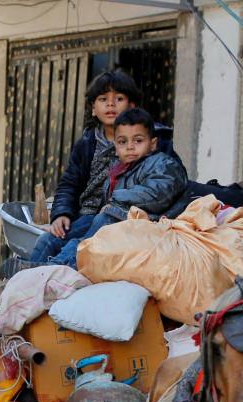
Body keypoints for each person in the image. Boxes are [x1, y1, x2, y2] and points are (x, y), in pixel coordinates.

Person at [29, 70, 175, 263]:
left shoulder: (153, 141)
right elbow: (69, 184)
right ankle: (26, 281)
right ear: (92, 109)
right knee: (49, 240)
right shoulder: (87, 143)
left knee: (80, 246)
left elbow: (167, 183)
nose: (110, 104)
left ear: (132, 106)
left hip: (124, 217)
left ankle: (55, 273)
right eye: (103, 99)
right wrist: (61, 214)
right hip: (87, 215)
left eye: (119, 98)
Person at [52, 108, 189, 268]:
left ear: (152, 144)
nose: (130, 147)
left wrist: (116, 200)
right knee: (73, 239)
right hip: (123, 225)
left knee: (95, 232)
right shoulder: (120, 170)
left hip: (151, 225)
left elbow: (158, 193)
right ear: (115, 146)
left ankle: (63, 269)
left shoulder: (162, 163)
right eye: (123, 142)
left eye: (138, 141)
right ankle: (48, 267)